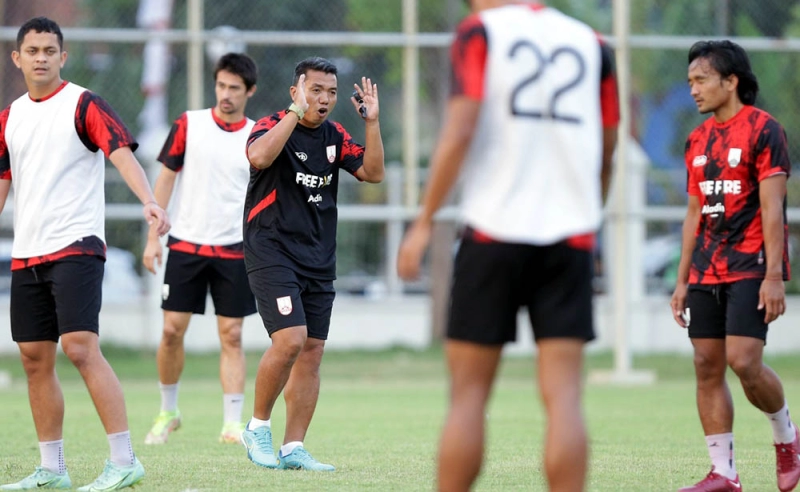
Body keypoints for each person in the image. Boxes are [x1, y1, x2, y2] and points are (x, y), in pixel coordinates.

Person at [396, 0, 619, 490]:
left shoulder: (480, 32)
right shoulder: (592, 43)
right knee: (563, 395)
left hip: (492, 229)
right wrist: (588, 214)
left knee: (469, 394)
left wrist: (423, 220)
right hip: (570, 235)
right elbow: (606, 149)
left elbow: (460, 129)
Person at [0, 17, 169, 491]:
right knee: (34, 357)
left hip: (76, 245)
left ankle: (124, 459)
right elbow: (4, 181)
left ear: (62, 56)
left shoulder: (84, 103)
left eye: (49, 50)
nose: (40, 57)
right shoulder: (10, 117)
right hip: (27, 252)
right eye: (31, 50)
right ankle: (51, 470)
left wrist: (149, 202)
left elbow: (120, 152)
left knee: (79, 347)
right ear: (18, 58)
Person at [240, 56, 384, 471]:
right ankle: (257, 427)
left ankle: (293, 447)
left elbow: (373, 173)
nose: (323, 99)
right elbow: (260, 159)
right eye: (315, 90)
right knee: (290, 339)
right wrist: (294, 114)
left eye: (331, 93)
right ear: (295, 90)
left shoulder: (335, 135)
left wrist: (371, 122)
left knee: (312, 350)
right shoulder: (271, 125)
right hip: (271, 250)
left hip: (318, 256)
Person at [670, 40, 800, 492]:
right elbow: (692, 214)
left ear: (732, 81)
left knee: (744, 361)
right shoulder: (697, 140)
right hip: (706, 268)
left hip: (751, 265)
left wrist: (773, 277)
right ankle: (724, 473)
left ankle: (787, 436)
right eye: (690, 82)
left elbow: (771, 210)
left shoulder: (766, 130)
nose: (693, 90)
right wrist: (682, 278)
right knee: (707, 363)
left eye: (701, 79)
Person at [141, 53, 259, 446]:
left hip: (236, 248)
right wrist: (152, 238)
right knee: (172, 331)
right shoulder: (188, 124)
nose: (226, 95)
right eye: (221, 86)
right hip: (187, 245)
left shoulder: (258, 135)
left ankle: (231, 424)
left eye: (234, 89)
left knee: (233, 334)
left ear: (249, 92)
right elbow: (165, 181)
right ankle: (168, 412)